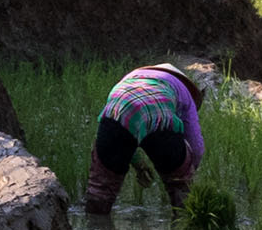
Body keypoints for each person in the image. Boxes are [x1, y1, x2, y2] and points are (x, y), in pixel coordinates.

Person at [82, 61, 209, 216]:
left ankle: (95, 226)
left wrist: (138, 164)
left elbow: (127, 126)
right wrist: (186, 174)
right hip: (160, 116)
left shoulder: (129, 79)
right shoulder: (184, 91)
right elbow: (196, 146)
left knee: (100, 192)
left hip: (116, 113)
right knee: (181, 191)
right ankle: (182, 224)